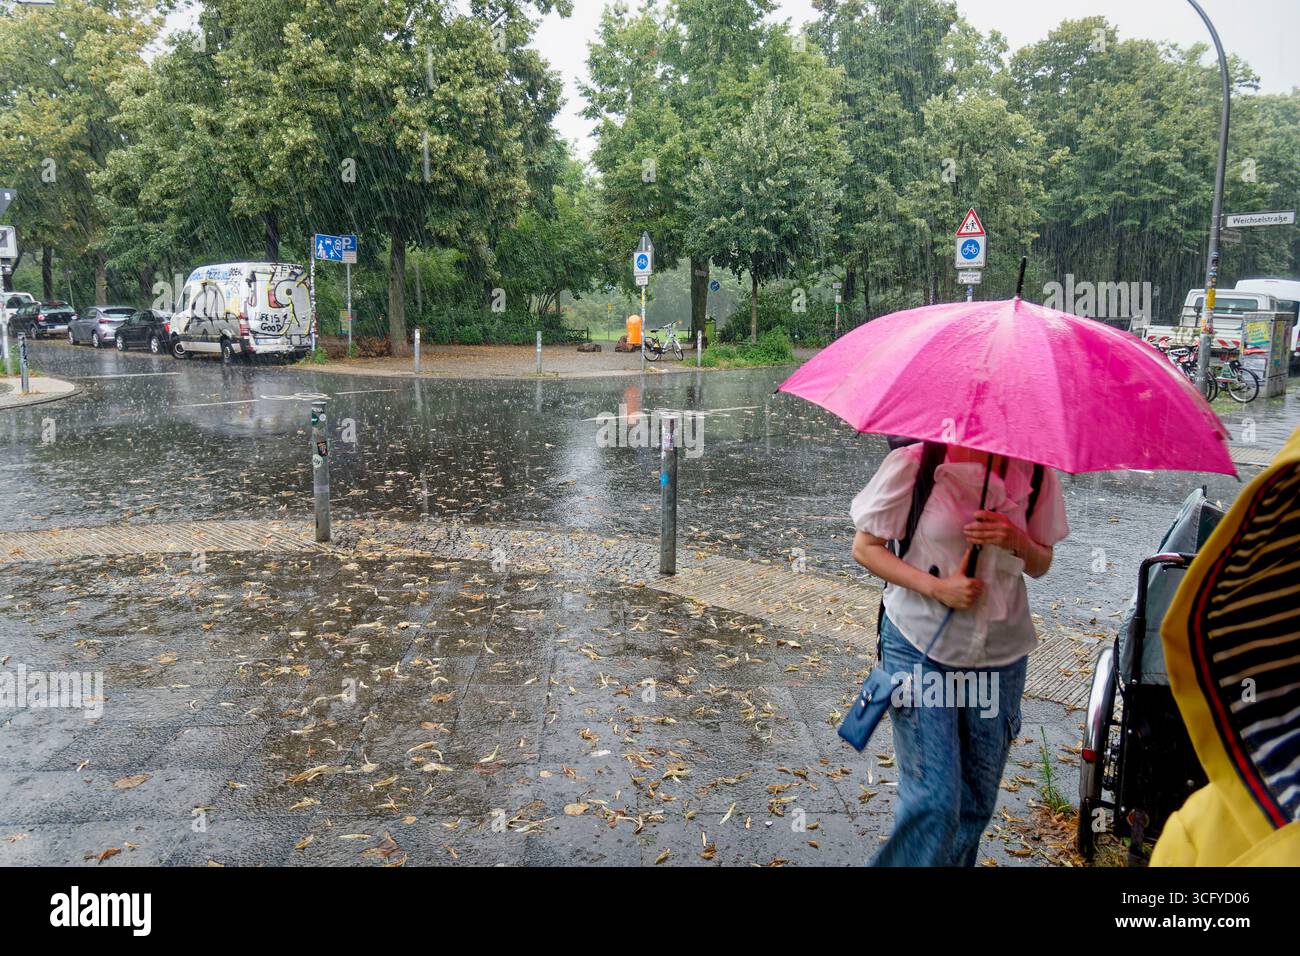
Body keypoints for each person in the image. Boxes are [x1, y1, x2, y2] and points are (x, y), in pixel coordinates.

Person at [850, 442, 1069, 866]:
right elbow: (866, 547)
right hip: (919, 644)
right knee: (934, 801)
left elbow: (1042, 563)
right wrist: (937, 588)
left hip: (1000, 656)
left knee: (974, 804)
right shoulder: (917, 463)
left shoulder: (1036, 471)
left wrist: (1016, 539)